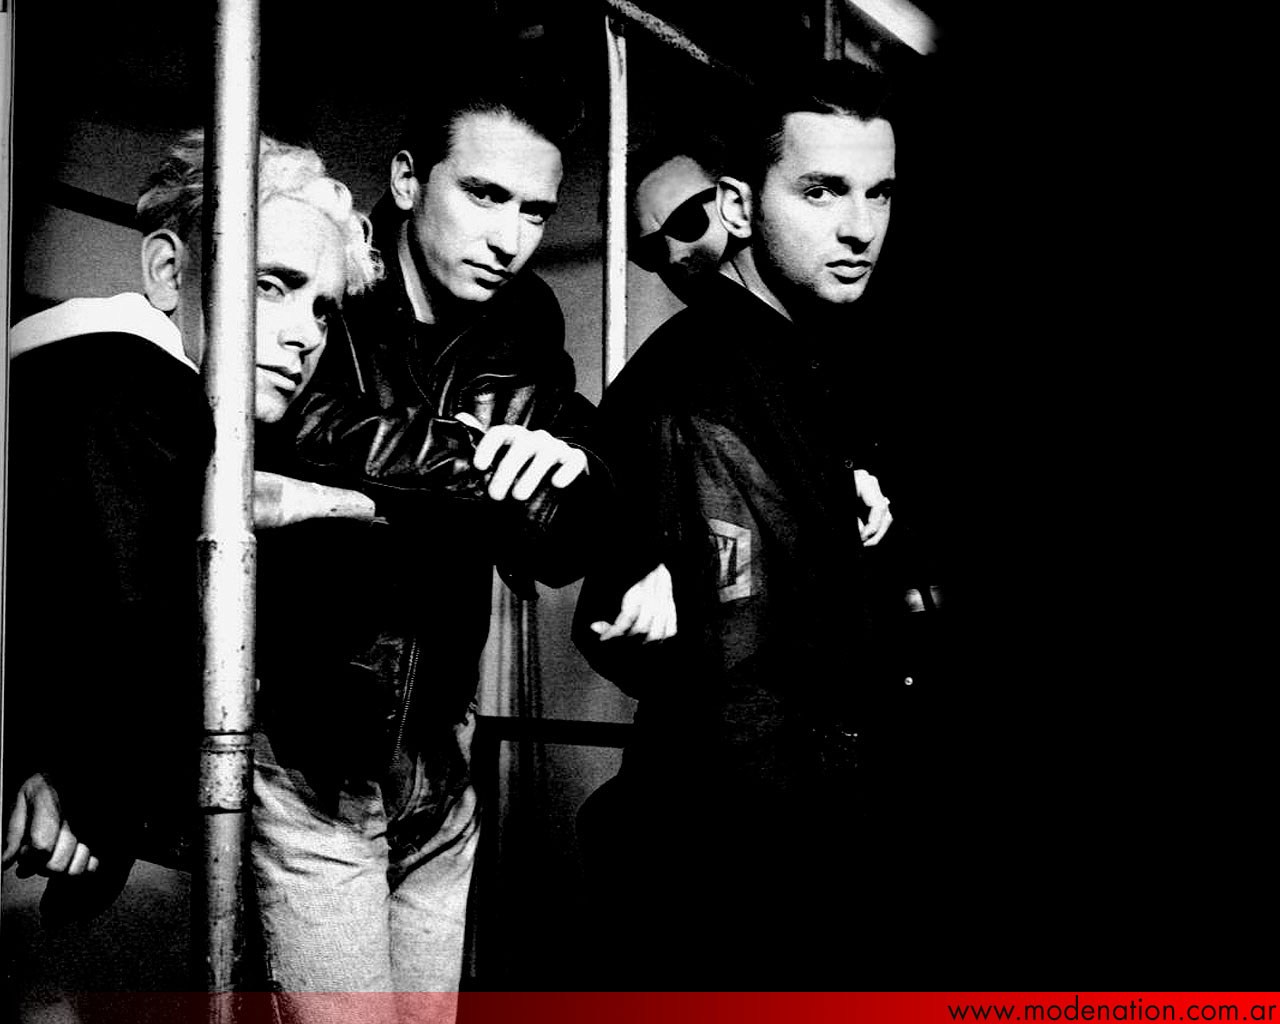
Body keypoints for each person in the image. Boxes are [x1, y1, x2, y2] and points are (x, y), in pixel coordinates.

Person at [251, 68, 606, 1020]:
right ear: (408, 181)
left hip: (443, 754)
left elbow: (564, 529)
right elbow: (294, 430)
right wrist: (486, 466)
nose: (510, 239)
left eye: (536, 211)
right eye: (484, 195)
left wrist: (572, 472)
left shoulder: (526, 318)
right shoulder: (334, 278)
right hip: (317, 754)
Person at [572, 60, 924, 989]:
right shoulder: (702, 380)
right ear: (740, 203)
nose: (859, 228)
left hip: (786, 858)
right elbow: (744, 693)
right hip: (751, 884)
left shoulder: (801, 356)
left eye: (880, 193)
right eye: (821, 191)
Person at [1, 132, 381, 924]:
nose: (306, 335)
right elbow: (134, 613)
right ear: (169, 272)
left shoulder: (70, 375)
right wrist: (87, 791)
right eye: (272, 286)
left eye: (322, 307)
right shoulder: (141, 387)